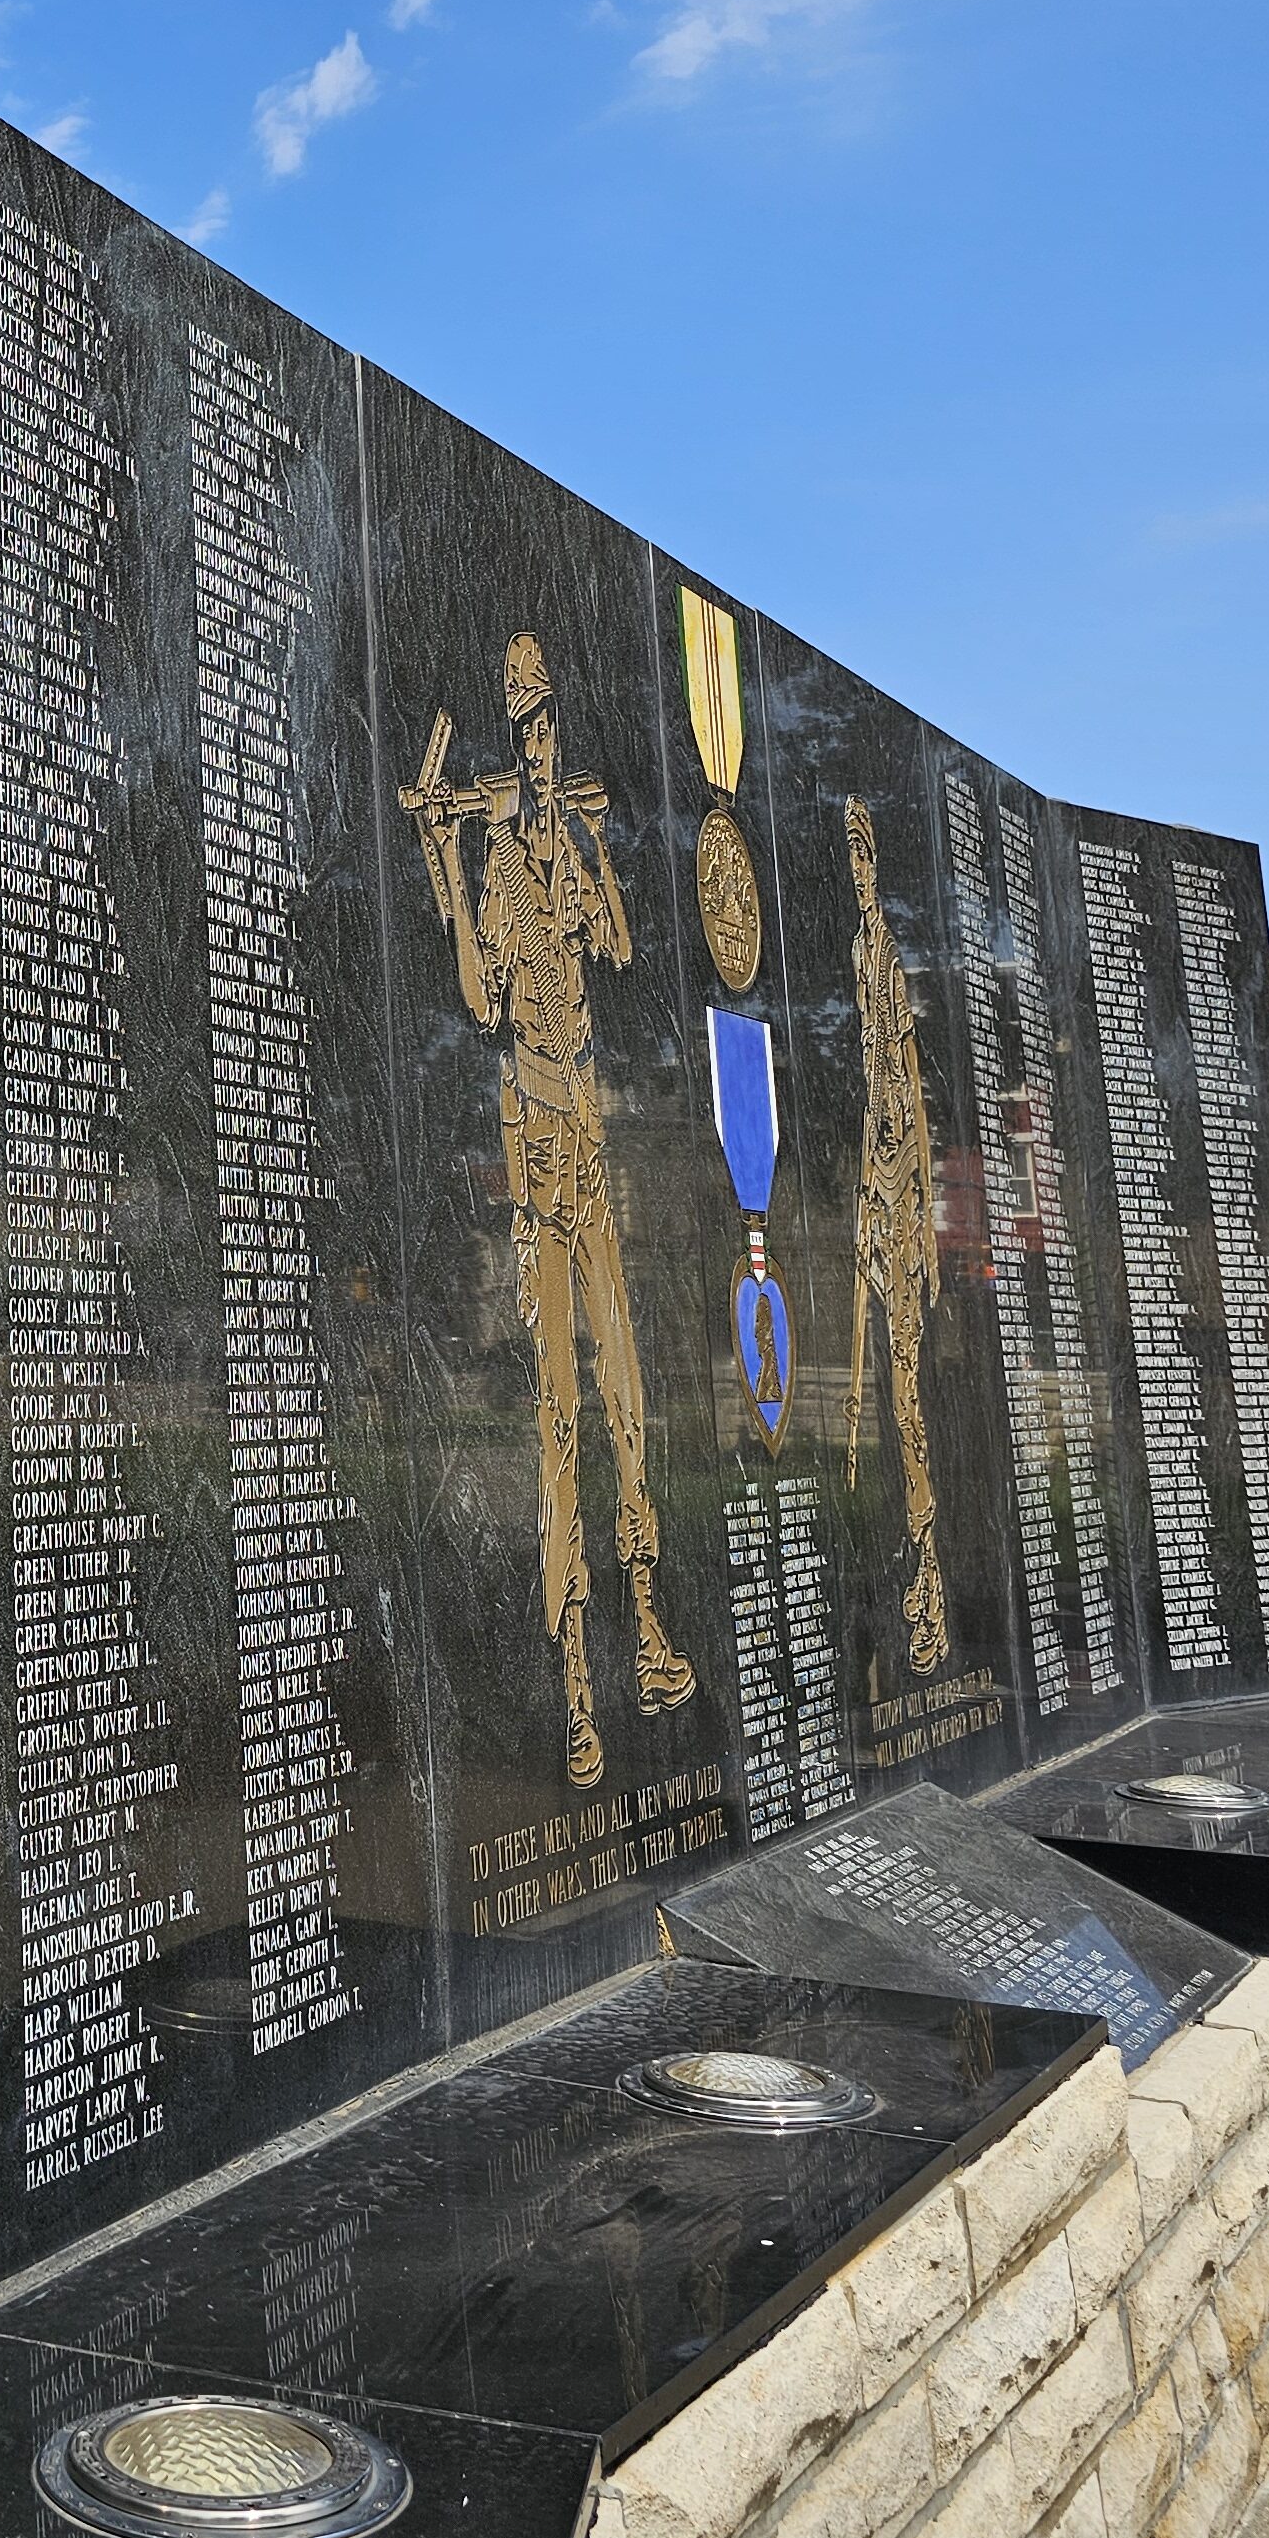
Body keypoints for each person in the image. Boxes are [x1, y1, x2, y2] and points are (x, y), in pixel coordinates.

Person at [405, 634, 695, 1792]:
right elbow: (481, 997)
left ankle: (653, 1632)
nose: (542, 742)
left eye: (549, 726)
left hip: (592, 1124)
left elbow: (619, 945)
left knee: (625, 1391)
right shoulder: (493, 862)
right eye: (527, 729)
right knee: (560, 1414)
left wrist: (598, 852)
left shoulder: (564, 844)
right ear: (508, 742)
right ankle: (576, 1680)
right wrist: (449, 856)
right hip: (534, 1131)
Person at [846, 797, 949, 1674]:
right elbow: (876, 1084)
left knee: (909, 1398)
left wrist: (920, 1219)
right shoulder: (856, 950)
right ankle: (914, 1572)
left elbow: (906, 1082)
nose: (857, 867)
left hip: (903, 1201)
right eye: (848, 853)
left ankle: (929, 1578)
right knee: (892, 1397)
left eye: (863, 851)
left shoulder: (887, 955)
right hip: (880, 1198)